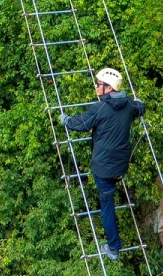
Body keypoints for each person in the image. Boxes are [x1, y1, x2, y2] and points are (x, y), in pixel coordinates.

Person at [61, 67, 145, 261]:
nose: (96, 87)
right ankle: (113, 244)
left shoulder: (99, 108)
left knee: (107, 205)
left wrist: (65, 119)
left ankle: (113, 247)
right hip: (120, 165)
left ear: (108, 89)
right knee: (109, 198)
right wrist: (139, 103)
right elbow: (140, 108)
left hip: (103, 168)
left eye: (99, 84)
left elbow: (80, 124)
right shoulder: (129, 105)